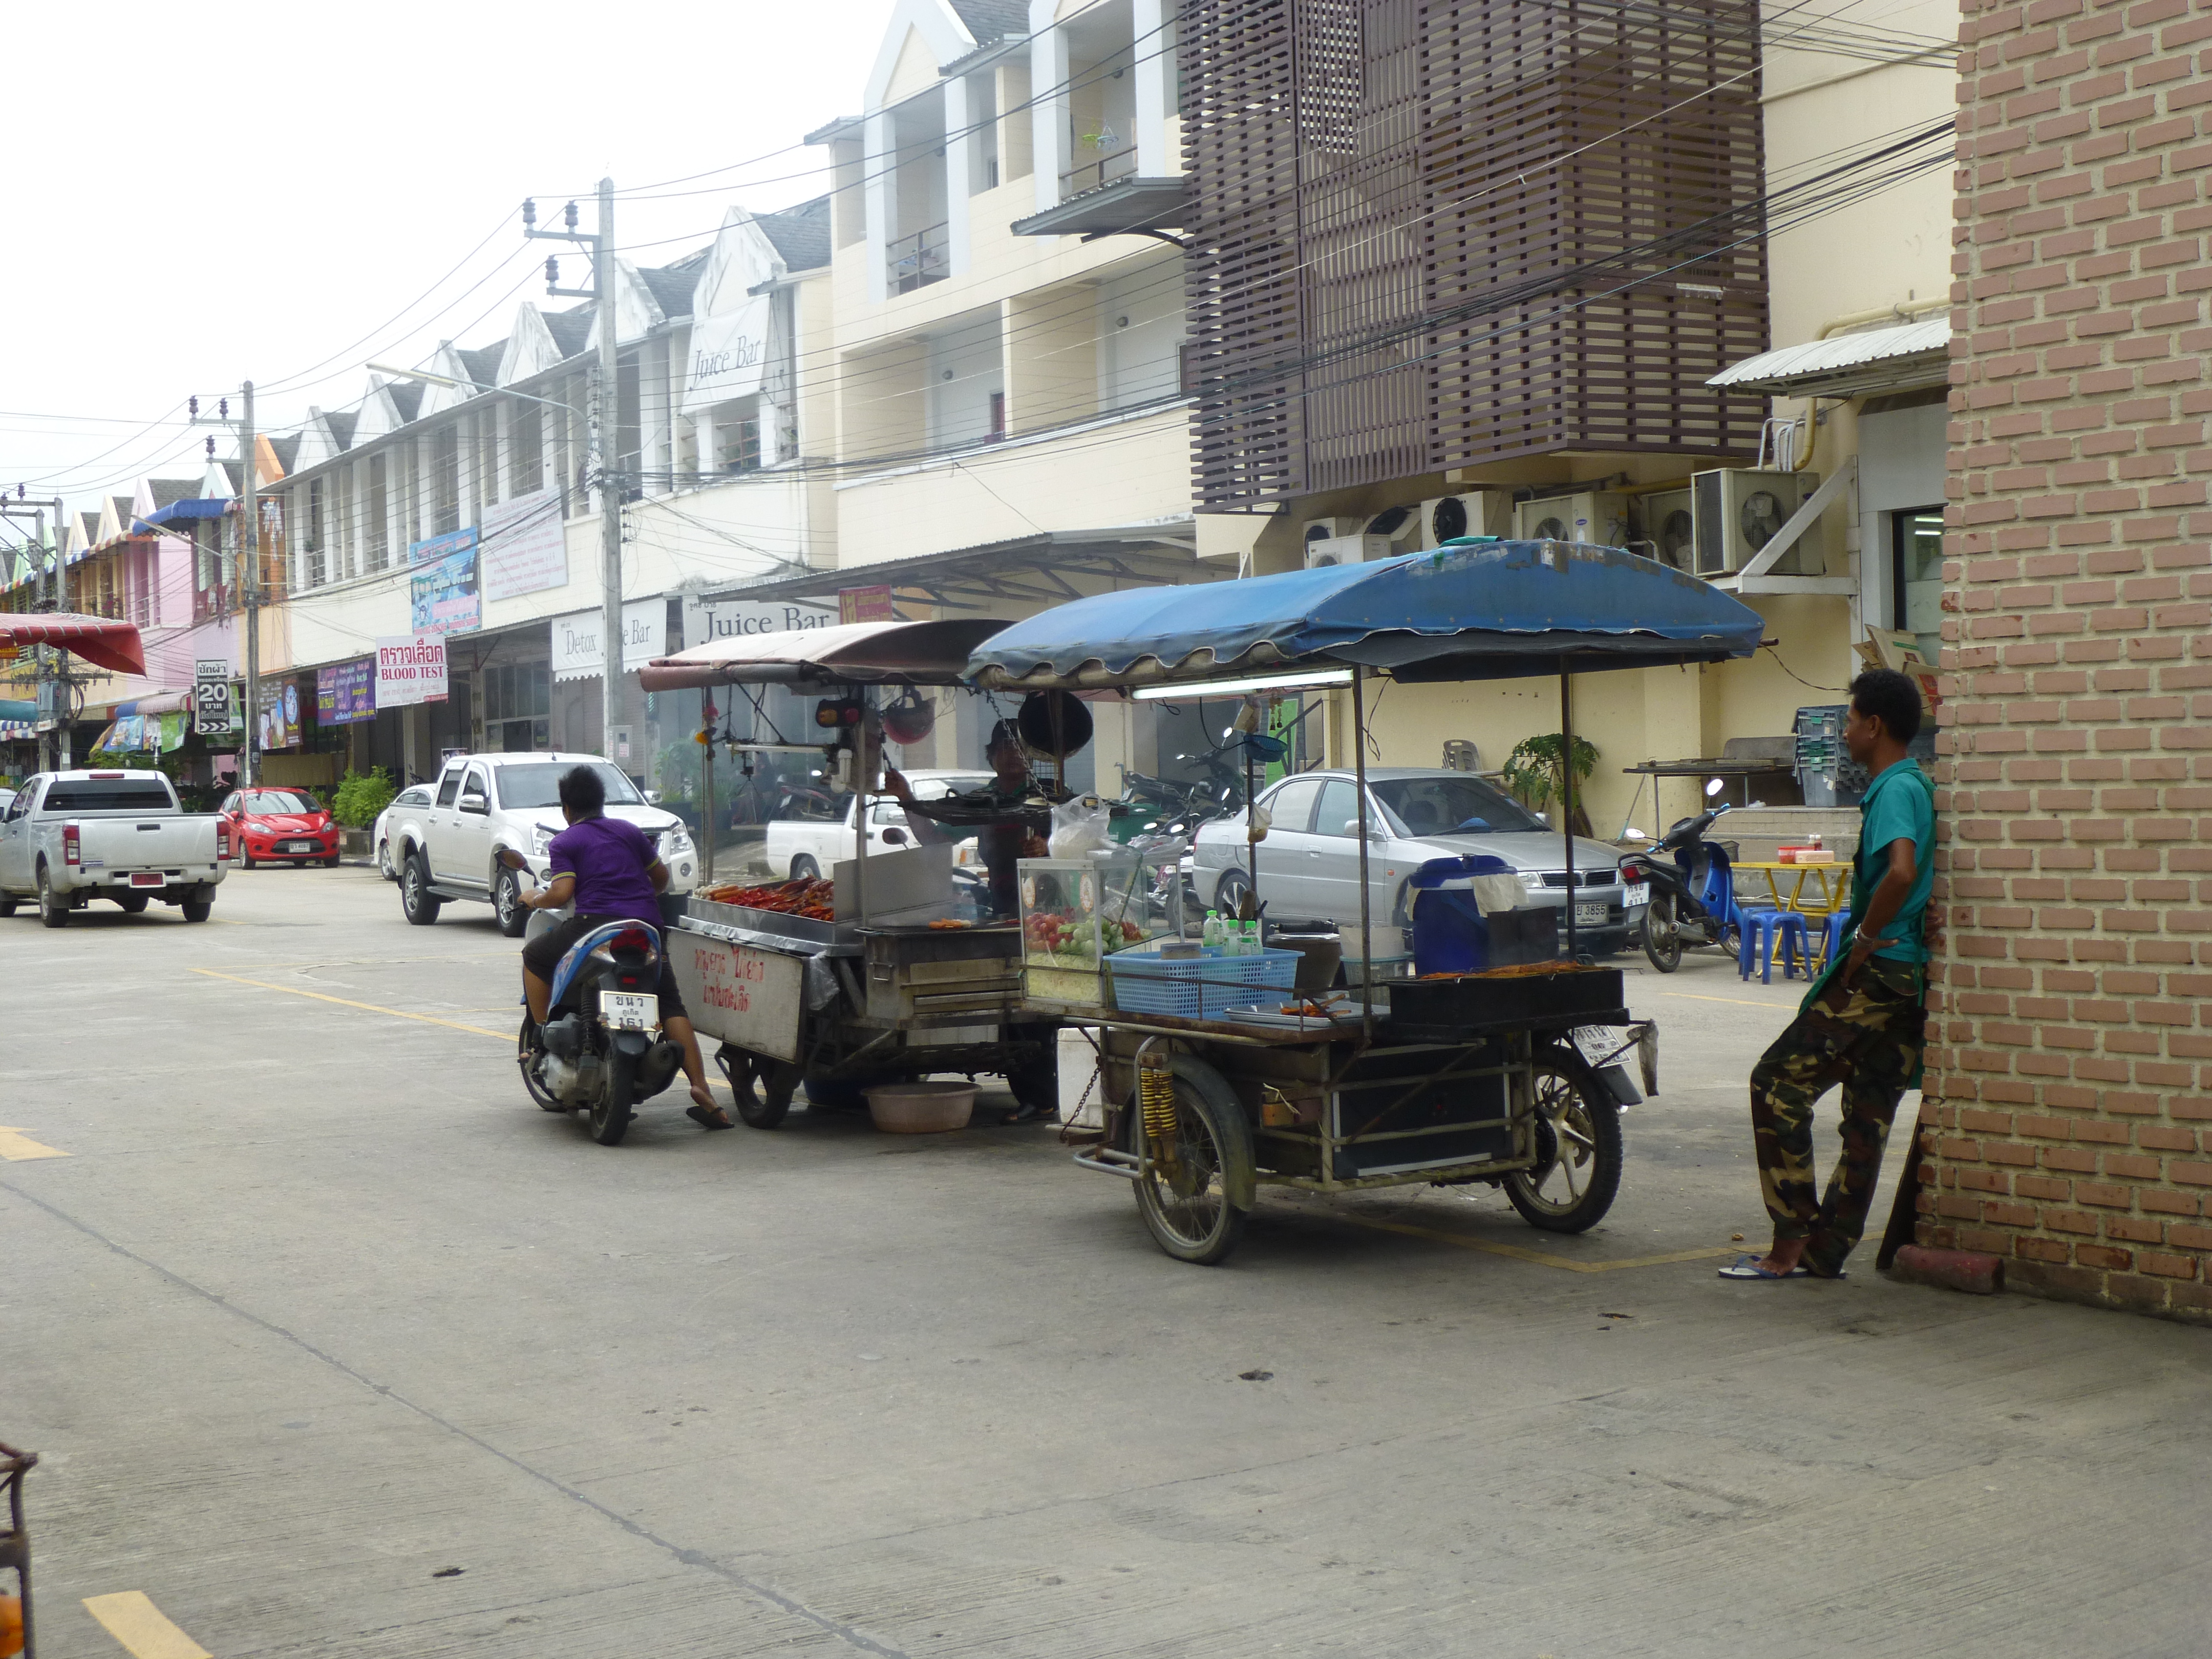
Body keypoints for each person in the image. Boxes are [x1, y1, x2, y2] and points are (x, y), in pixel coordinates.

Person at [1724, 668, 1936, 1281]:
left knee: (1775, 1082)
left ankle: (1790, 1242)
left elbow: (1901, 871)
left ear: (1875, 726)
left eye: (1850, 721)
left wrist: (1864, 941)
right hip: (1909, 980)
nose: (1844, 733)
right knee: (1868, 1114)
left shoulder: (1894, 789)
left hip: (1880, 971)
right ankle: (1827, 1249)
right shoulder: (1918, 784)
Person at [506, 764, 729, 1130]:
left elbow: (562, 893)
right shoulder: (629, 831)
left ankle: (544, 1034)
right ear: (601, 802)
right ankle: (702, 1089)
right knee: (669, 1002)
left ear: (567, 809)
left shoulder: (565, 842)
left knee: (534, 956)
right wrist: (635, 898)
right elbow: (661, 879)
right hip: (645, 927)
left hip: (594, 926)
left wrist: (534, 898)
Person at [882, 719, 1049, 920]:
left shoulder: (1050, 795)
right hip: (1004, 907)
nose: (1014, 754)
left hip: (1051, 904)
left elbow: (1074, 840)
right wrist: (906, 796)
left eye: (1020, 748)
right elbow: (933, 839)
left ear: (1032, 756)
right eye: (1006, 747)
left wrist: (1047, 845)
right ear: (991, 755)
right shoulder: (981, 801)